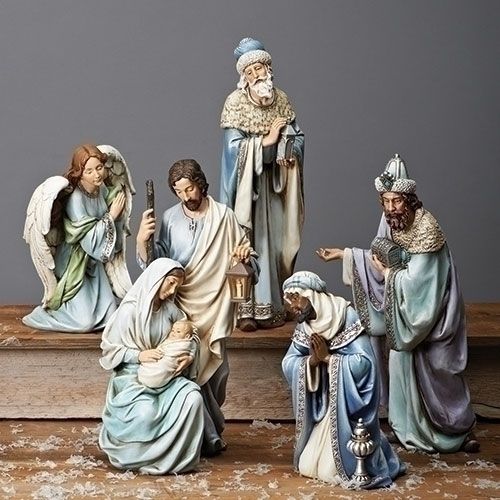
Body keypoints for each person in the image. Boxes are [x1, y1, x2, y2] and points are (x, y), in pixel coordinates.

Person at [317, 153, 479, 453]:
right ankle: (404, 428)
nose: (391, 208)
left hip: (432, 316)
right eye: (386, 201)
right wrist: (345, 255)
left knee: (436, 367)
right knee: (397, 355)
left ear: (409, 199)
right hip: (406, 316)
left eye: (396, 201)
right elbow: (378, 255)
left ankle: (451, 429)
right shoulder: (391, 221)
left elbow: (421, 285)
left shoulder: (427, 231)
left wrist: (389, 274)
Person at [136, 159, 257, 455]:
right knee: (185, 369)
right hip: (181, 305)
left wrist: (244, 255)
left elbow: (249, 258)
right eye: (178, 191)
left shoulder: (223, 216)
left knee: (217, 373)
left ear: (200, 184)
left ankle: (210, 428)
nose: (185, 196)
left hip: (215, 305)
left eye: (189, 189)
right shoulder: (170, 218)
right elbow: (158, 265)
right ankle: (202, 437)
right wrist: (142, 240)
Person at [281, 271, 405, 488]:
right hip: (325, 405)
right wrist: (312, 361)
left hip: (347, 408)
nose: (293, 306)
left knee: (330, 470)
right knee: (307, 466)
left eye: (295, 298)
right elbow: (289, 362)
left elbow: (365, 363)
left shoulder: (345, 316)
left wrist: (328, 359)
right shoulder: (305, 325)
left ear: (312, 295)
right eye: (289, 300)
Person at [220, 37, 305, 331]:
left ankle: (277, 305)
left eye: (260, 68)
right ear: (244, 76)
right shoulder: (235, 104)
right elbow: (232, 150)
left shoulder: (281, 100)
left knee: (279, 244)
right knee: (248, 245)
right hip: (248, 192)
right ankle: (245, 309)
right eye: (250, 71)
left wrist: (287, 147)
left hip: (275, 187)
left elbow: (297, 138)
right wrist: (265, 142)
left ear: (269, 69)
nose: (257, 75)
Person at [99, 258, 204, 474]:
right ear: (157, 279)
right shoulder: (129, 311)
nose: (172, 290)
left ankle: (174, 457)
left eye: (177, 286)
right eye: (171, 283)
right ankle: (137, 458)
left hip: (167, 374)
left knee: (193, 398)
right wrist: (139, 355)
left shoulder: (170, 310)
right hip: (133, 377)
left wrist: (189, 355)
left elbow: (190, 333)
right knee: (145, 414)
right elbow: (110, 350)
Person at [23, 144, 129, 332]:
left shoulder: (101, 190)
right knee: (84, 323)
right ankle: (45, 315)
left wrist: (118, 199)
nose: (97, 175)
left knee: (111, 317)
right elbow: (89, 241)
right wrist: (111, 216)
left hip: (93, 263)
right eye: (89, 171)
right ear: (80, 173)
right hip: (75, 263)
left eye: (99, 168)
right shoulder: (76, 199)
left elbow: (109, 204)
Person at [138, 320, 198, 389]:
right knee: (151, 364)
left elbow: (192, 338)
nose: (173, 333)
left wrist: (191, 357)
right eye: (172, 330)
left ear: (187, 337)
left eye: (178, 332)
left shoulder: (184, 343)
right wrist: (139, 355)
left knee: (163, 368)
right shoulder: (171, 340)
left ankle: (155, 378)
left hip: (168, 364)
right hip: (144, 361)